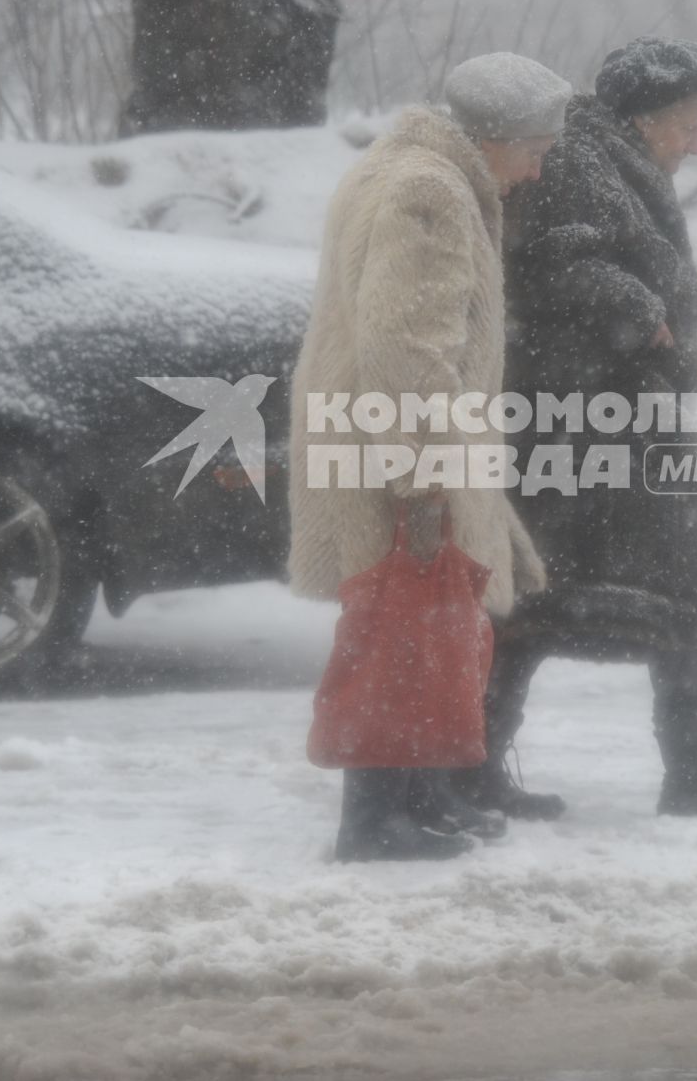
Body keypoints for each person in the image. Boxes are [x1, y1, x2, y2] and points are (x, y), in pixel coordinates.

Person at [454, 36, 697, 820]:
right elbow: (552, 266)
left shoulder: (612, 162)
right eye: (687, 124)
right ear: (645, 119)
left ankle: (692, 762)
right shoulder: (580, 163)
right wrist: (637, 312)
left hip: (625, 429)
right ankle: (480, 757)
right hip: (586, 434)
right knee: (549, 596)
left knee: (651, 591)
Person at [288, 52, 567, 862]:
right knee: (401, 633)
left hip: (379, 438)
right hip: (396, 453)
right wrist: (422, 478)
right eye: (535, 149)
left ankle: (418, 801)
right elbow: (406, 349)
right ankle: (375, 821)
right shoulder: (431, 192)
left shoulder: (399, 170)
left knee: (419, 628)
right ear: (494, 138)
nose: (539, 169)